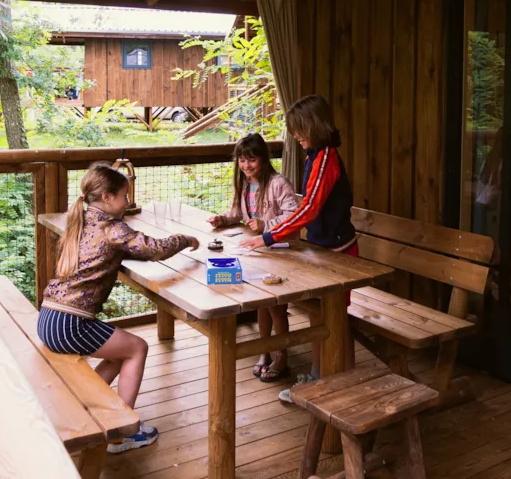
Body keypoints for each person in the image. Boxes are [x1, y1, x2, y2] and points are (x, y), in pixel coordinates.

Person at [37, 162, 199, 453]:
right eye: (125, 196)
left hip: (50, 317)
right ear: (108, 197)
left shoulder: (82, 219)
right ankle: (121, 433)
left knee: (119, 354)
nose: (128, 202)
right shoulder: (112, 228)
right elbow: (155, 248)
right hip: (70, 324)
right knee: (137, 348)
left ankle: (89, 410)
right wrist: (186, 239)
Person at [239, 94, 358, 403]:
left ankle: (337, 380)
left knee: (332, 317)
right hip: (322, 248)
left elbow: (309, 210)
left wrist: (267, 236)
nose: (295, 136)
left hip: (338, 252)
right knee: (320, 316)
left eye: (299, 129)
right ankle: (321, 375)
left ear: (314, 126)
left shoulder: (326, 158)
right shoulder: (316, 155)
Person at [206, 133, 299, 382]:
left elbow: (294, 216)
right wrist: (224, 219)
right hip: (258, 251)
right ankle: (264, 351)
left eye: (252, 160)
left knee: (277, 308)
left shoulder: (279, 183)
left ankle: (281, 356)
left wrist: (265, 223)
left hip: (281, 252)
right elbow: (239, 211)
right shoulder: (246, 183)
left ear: (264, 159)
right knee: (261, 303)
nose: (246, 165)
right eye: (242, 160)